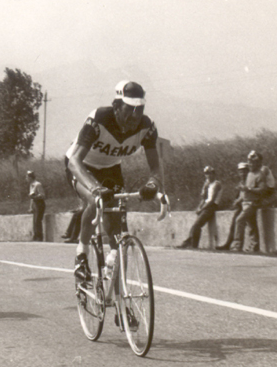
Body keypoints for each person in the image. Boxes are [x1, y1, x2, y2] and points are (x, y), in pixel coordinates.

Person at [65, 81, 162, 284]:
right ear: (116, 107)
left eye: (140, 110)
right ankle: (81, 256)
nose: (134, 117)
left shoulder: (147, 127)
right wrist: (95, 188)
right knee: (95, 201)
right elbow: (74, 162)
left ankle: (121, 305)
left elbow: (155, 168)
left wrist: (153, 184)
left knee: (117, 228)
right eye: (129, 109)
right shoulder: (99, 119)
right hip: (82, 166)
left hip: (110, 168)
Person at [231, 150, 274, 252]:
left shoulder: (260, 174)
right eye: (249, 161)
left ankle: (237, 245)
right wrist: (240, 197)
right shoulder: (249, 174)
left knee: (239, 220)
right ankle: (254, 246)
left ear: (258, 163)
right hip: (246, 202)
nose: (250, 163)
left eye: (253, 161)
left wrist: (248, 189)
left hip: (253, 203)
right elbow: (245, 190)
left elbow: (262, 190)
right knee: (251, 225)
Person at [178, 166, 223, 249]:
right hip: (206, 205)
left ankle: (192, 245)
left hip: (212, 206)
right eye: (206, 174)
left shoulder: (217, 184)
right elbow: (204, 198)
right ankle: (188, 243)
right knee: (195, 225)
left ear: (214, 174)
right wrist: (199, 207)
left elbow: (212, 200)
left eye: (210, 173)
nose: (208, 176)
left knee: (197, 225)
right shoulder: (207, 184)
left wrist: (202, 208)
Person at [216, 162, 249, 250]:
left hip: (248, 205)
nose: (242, 174)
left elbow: (245, 194)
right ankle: (229, 243)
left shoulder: (249, 180)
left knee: (241, 222)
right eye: (241, 172)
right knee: (234, 222)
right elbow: (238, 195)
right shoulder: (241, 182)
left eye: (244, 171)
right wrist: (236, 201)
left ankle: (237, 245)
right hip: (242, 206)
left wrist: (238, 201)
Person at [26, 171, 46, 241]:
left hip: (39, 203)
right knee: (34, 221)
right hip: (35, 203)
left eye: (27, 177)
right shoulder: (31, 185)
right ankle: (35, 236)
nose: (26, 178)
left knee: (38, 220)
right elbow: (31, 198)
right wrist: (31, 207)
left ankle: (39, 237)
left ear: (30, 177)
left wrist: (35, 196)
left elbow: (42, 195)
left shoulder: (38, 184)